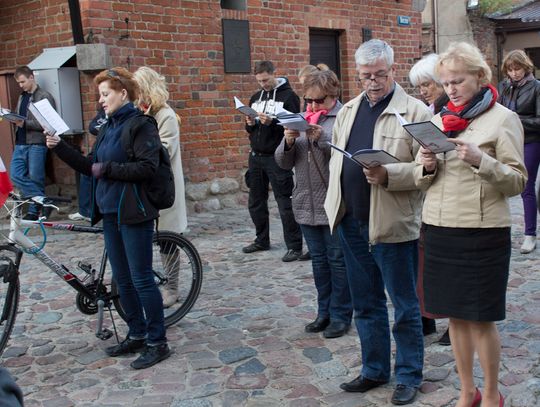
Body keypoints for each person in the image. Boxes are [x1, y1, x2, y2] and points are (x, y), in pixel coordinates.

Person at [415, 42, 526, 407]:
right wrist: (427, 164)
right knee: (455, 320)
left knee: (480, 320)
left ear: (480, 77)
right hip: (439, 228)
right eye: (446, 83)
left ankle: (492, 394)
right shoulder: (436, 119)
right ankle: (467, 392)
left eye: (458, 81)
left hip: (481, 232)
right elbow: (421, 179)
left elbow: (517, 181)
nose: (451, 89)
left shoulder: (503, 118)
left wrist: (482, 160)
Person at [324, 39, 431, 405]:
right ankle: (374, 370)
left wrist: (389, 176)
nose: (373, 82)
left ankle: (408, 375)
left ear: (393, 69)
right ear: (358, 73)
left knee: (403, 305)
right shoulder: (349, 110)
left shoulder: (414, 111)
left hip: (392, 224)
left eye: (380, 74)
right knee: (365, 303)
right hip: (351, 221)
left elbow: (428, 171)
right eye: (366, 75)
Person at [46, 67, 171, 369]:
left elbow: (146, 167)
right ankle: (137, 333)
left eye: (106, 94)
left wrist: (108, 169)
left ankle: (158, 342)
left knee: (141, 278)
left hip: (134, 211)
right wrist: (60, 147)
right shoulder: (107, 127)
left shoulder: (141, 124)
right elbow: (92, 166)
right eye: (99, 95)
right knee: (122, 280)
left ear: (123, 93)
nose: (101, 100)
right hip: (110, 211)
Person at [275, 69, 352, 338]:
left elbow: (348, 159)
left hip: (332, 201)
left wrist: (324, 142)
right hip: (305, 202)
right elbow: (283, 163)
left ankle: (342, 315)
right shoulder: (301, 118)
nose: (313, 106)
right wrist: (287, 141)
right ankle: (324, 312)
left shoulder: (344, 116)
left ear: (333, 96)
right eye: (308, 100)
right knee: (319, 261)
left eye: (319, 101)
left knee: (337, 260)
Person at [133, 66, 188, 307]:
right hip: (141, 187)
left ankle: (172, 287)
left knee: (168, 239)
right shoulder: (137, 113)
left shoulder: (165, 114)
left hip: (163, 186)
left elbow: (165, 150)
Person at [409, 53, 451, 346]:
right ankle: (428, 316)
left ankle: (453, 321)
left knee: (444, 263)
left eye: (427, 84)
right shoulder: (430, 110)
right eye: (419, 86)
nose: (423, 91)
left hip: (448, 198)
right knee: (426, 261)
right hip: (428, 194)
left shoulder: (448, 112)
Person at [243, 60, 303, 262]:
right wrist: (250, 123)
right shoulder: (255, 97)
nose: (263, 84)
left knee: (284, 202)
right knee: (255, 202)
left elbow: (294, 125)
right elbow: (251, 130)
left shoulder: (289, 96)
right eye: (259, 81)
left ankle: (294, 246)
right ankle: (261, 239)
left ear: (273, 74)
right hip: (256, 156)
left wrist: (273, 122)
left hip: (277, 157)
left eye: (266, 80)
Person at [498, 49, 540, 254]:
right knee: (500, 183)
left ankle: (530, 234)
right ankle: (499, 231)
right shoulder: (504, 86)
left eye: (518, 68)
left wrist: (515, 121)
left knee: (526, 186)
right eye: (510, 69)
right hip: (507, 141)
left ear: (526, 67)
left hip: (530, 141)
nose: (514, 73)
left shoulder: (537, 87)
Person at [10, 66, 56, 220]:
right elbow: (20, 117)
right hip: (20, 142)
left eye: (22, 81)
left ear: (31, 77)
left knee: (36, 178)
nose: (21, 85)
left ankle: (33, 211)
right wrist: (11, 117)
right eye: (18, 83)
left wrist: (24, 123)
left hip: (37, 143)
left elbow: (49, 124)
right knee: (15, 175)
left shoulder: (44, 96)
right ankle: (44, 201)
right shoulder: (22, 96)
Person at [69, 108, 107, 222]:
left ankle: (90, 210)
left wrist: (105, 128)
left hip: (108, 151)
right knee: (86, 173)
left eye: (105, 94)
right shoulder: (104, 110)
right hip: (98, 148)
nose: (102, 99)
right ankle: (85, 211)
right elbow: (92, 126)